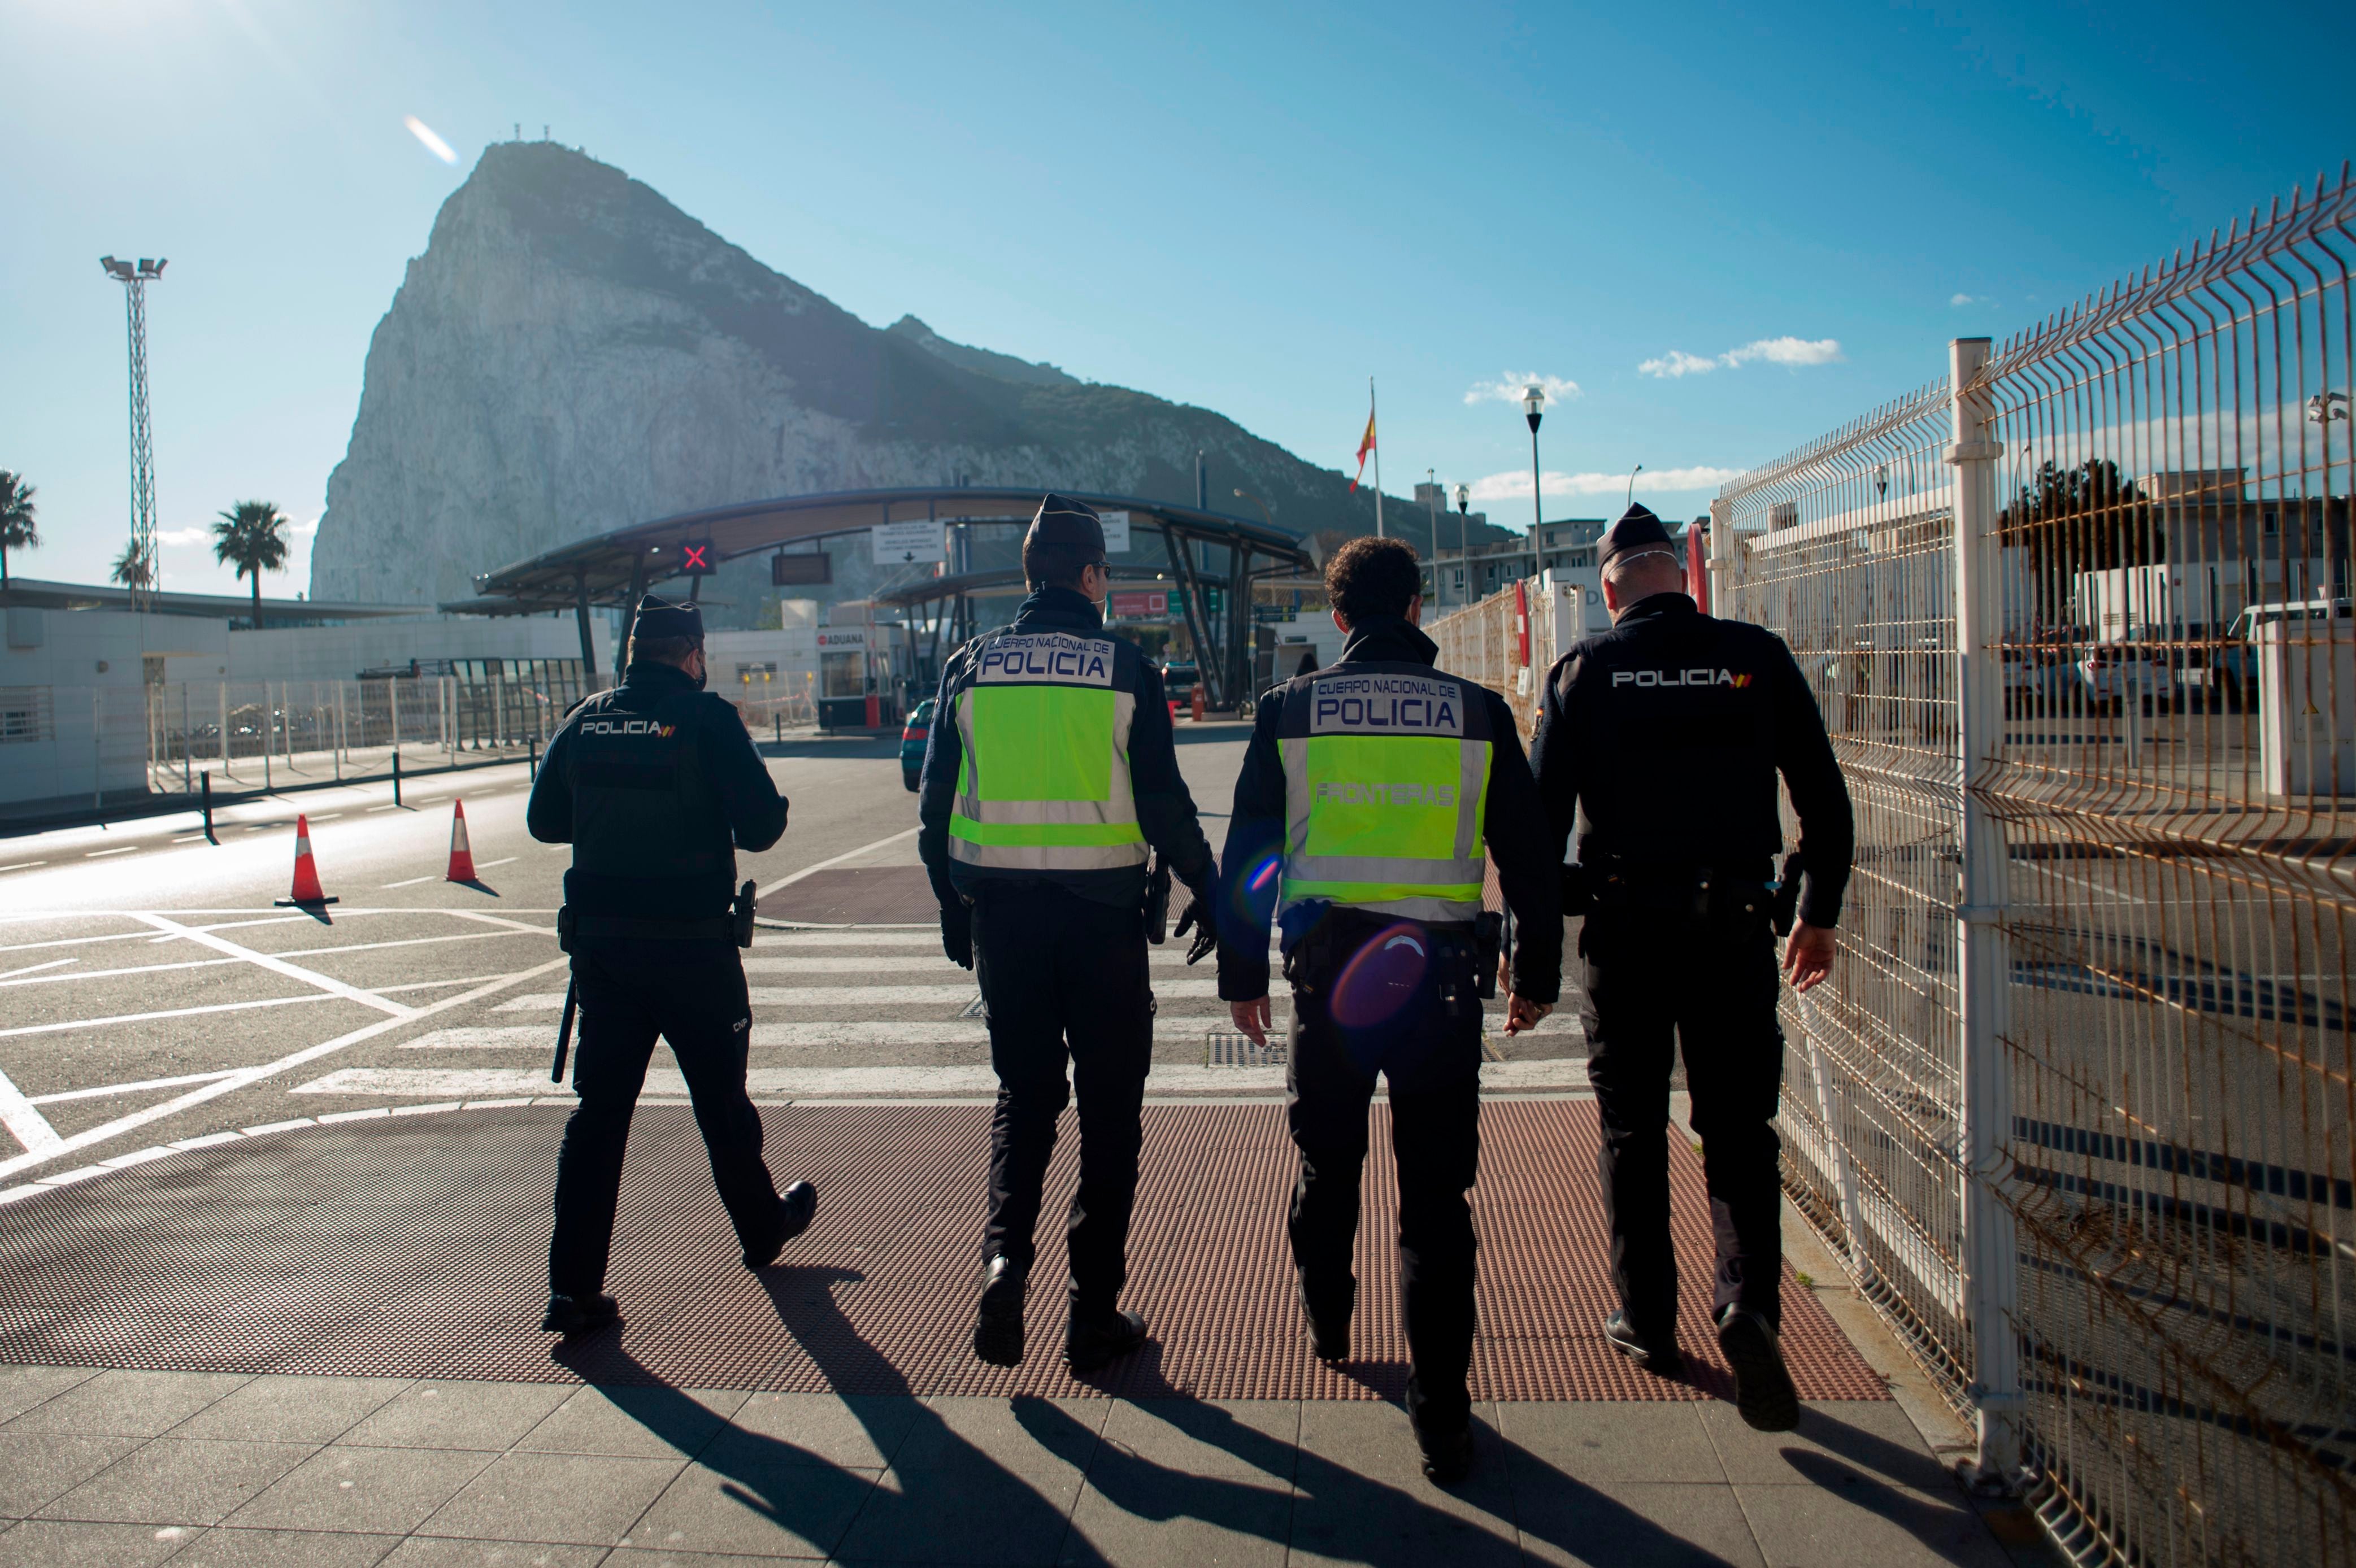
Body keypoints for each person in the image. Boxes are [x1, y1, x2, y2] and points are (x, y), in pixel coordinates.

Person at [1216, 535, 1561, 1484]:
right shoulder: (1477, 711)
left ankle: (1329, 1316)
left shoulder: (1292, 709)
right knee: (1436, 1199)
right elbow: (1529, 859)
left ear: (1338, 619)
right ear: (1415, 608)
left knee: (1327, 1165)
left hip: (1329, 981)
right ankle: (1442, 1415)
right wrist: (1536, 974)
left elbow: (1250, 852)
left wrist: (1240, 974)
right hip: (1439, 982)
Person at [1528, 503, 1853, 1432]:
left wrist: (1537, 952)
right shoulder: (1755, 656)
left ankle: (1648, 1319)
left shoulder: (1583, 672)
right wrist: (1817, 914)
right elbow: (1824, 805)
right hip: (1735, 926)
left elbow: (1537, 827)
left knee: (1632, 1126)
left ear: (1606, 588)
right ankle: (1747, 1303)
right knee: (1739, 1129)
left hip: (1625, 932)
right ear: (1682, 575)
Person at [918, 494, 1219, 1373]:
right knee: (1109, 1116)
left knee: (1024, 1096)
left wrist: (952, 911)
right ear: (1090, 577)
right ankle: (1092, 1316)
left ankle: (1004, 1263)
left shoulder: (969, 666)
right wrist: (1212, 888)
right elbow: (1162, 804)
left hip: (1004, 928)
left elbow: (935, 814)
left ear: (1025, 576)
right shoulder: (1125, 668)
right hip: (1103, 926)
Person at [526, 593, 819, 1335]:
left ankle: (572, 1290)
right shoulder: (705, 717)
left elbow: (542, 822)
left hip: (605, 956)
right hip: (692, 950)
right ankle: (760, 1230)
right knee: (720, 1104)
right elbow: (761, 827)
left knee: (598, 1119)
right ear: (690, 655)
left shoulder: (586, 717)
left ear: (632, 653)